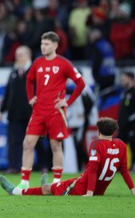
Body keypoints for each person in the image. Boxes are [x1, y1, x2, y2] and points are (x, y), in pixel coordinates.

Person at [0, 117, 135, 197]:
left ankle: (15, 191)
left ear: (98, 131)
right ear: (114, 132)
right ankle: (46, 183)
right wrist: (134, 191)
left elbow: (93, 171)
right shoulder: (121, 145)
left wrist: (89, 193)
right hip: (98, 190)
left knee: (47, 189)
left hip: (82, 187)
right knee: (54, 186)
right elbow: (124, 171)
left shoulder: (97, 145)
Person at [18, 31, 85, 188]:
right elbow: (29, 81)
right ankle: (24, 182)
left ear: (55, 45)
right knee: (28, 143)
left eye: (46, 44)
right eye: (42, 43)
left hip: (55, 112)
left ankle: (56, 182)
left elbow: (80, 84)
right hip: (39, 111)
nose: (43, 47)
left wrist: (67, 101)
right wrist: (31, 98)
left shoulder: (64, 63)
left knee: (56, 145)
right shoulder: (37, 63)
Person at [0, 45, 33, 174]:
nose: (17, 58)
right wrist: (2, 110)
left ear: (28, 56)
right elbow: (8, 93)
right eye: (17, 55)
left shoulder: (34, 72)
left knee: (35, 142)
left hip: (30, 113)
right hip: (14, 114)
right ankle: (14, 166)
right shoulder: (13, 72)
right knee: (14, 142)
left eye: (20, 55)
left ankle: (41, 166)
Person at [118, 72, 135, 171]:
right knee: (121, 148)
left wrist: (134, 123)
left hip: (132, 126)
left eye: (124, 79)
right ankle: (121, 167)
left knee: (134, 147)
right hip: (123, 126)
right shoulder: (124, 93)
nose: (122, 81)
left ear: (130, 79)